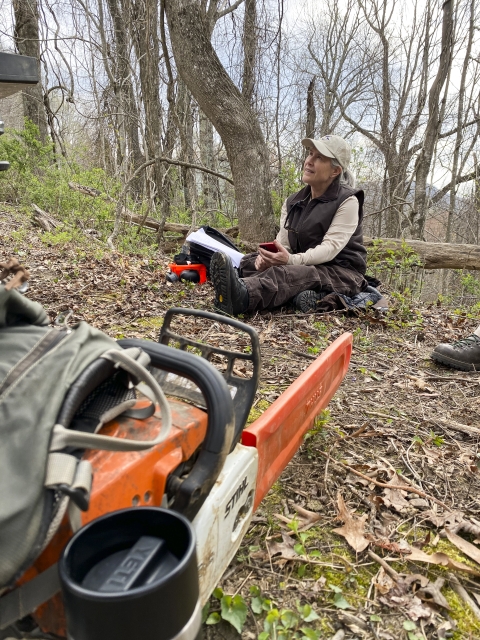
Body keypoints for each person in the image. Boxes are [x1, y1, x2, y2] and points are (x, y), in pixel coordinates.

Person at [210, 134, 368, 316]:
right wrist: (268, 259)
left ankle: (242, 298)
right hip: (308, 265)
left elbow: (330, 249)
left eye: (319, 158)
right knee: (249, 262)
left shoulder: (348, 201)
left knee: (291, 274)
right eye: (310, 154)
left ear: (335, 171)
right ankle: (299, 296)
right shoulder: (293, 201)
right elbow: (283, 244)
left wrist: (290, 261)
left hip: (342, 272)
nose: (309, 161)